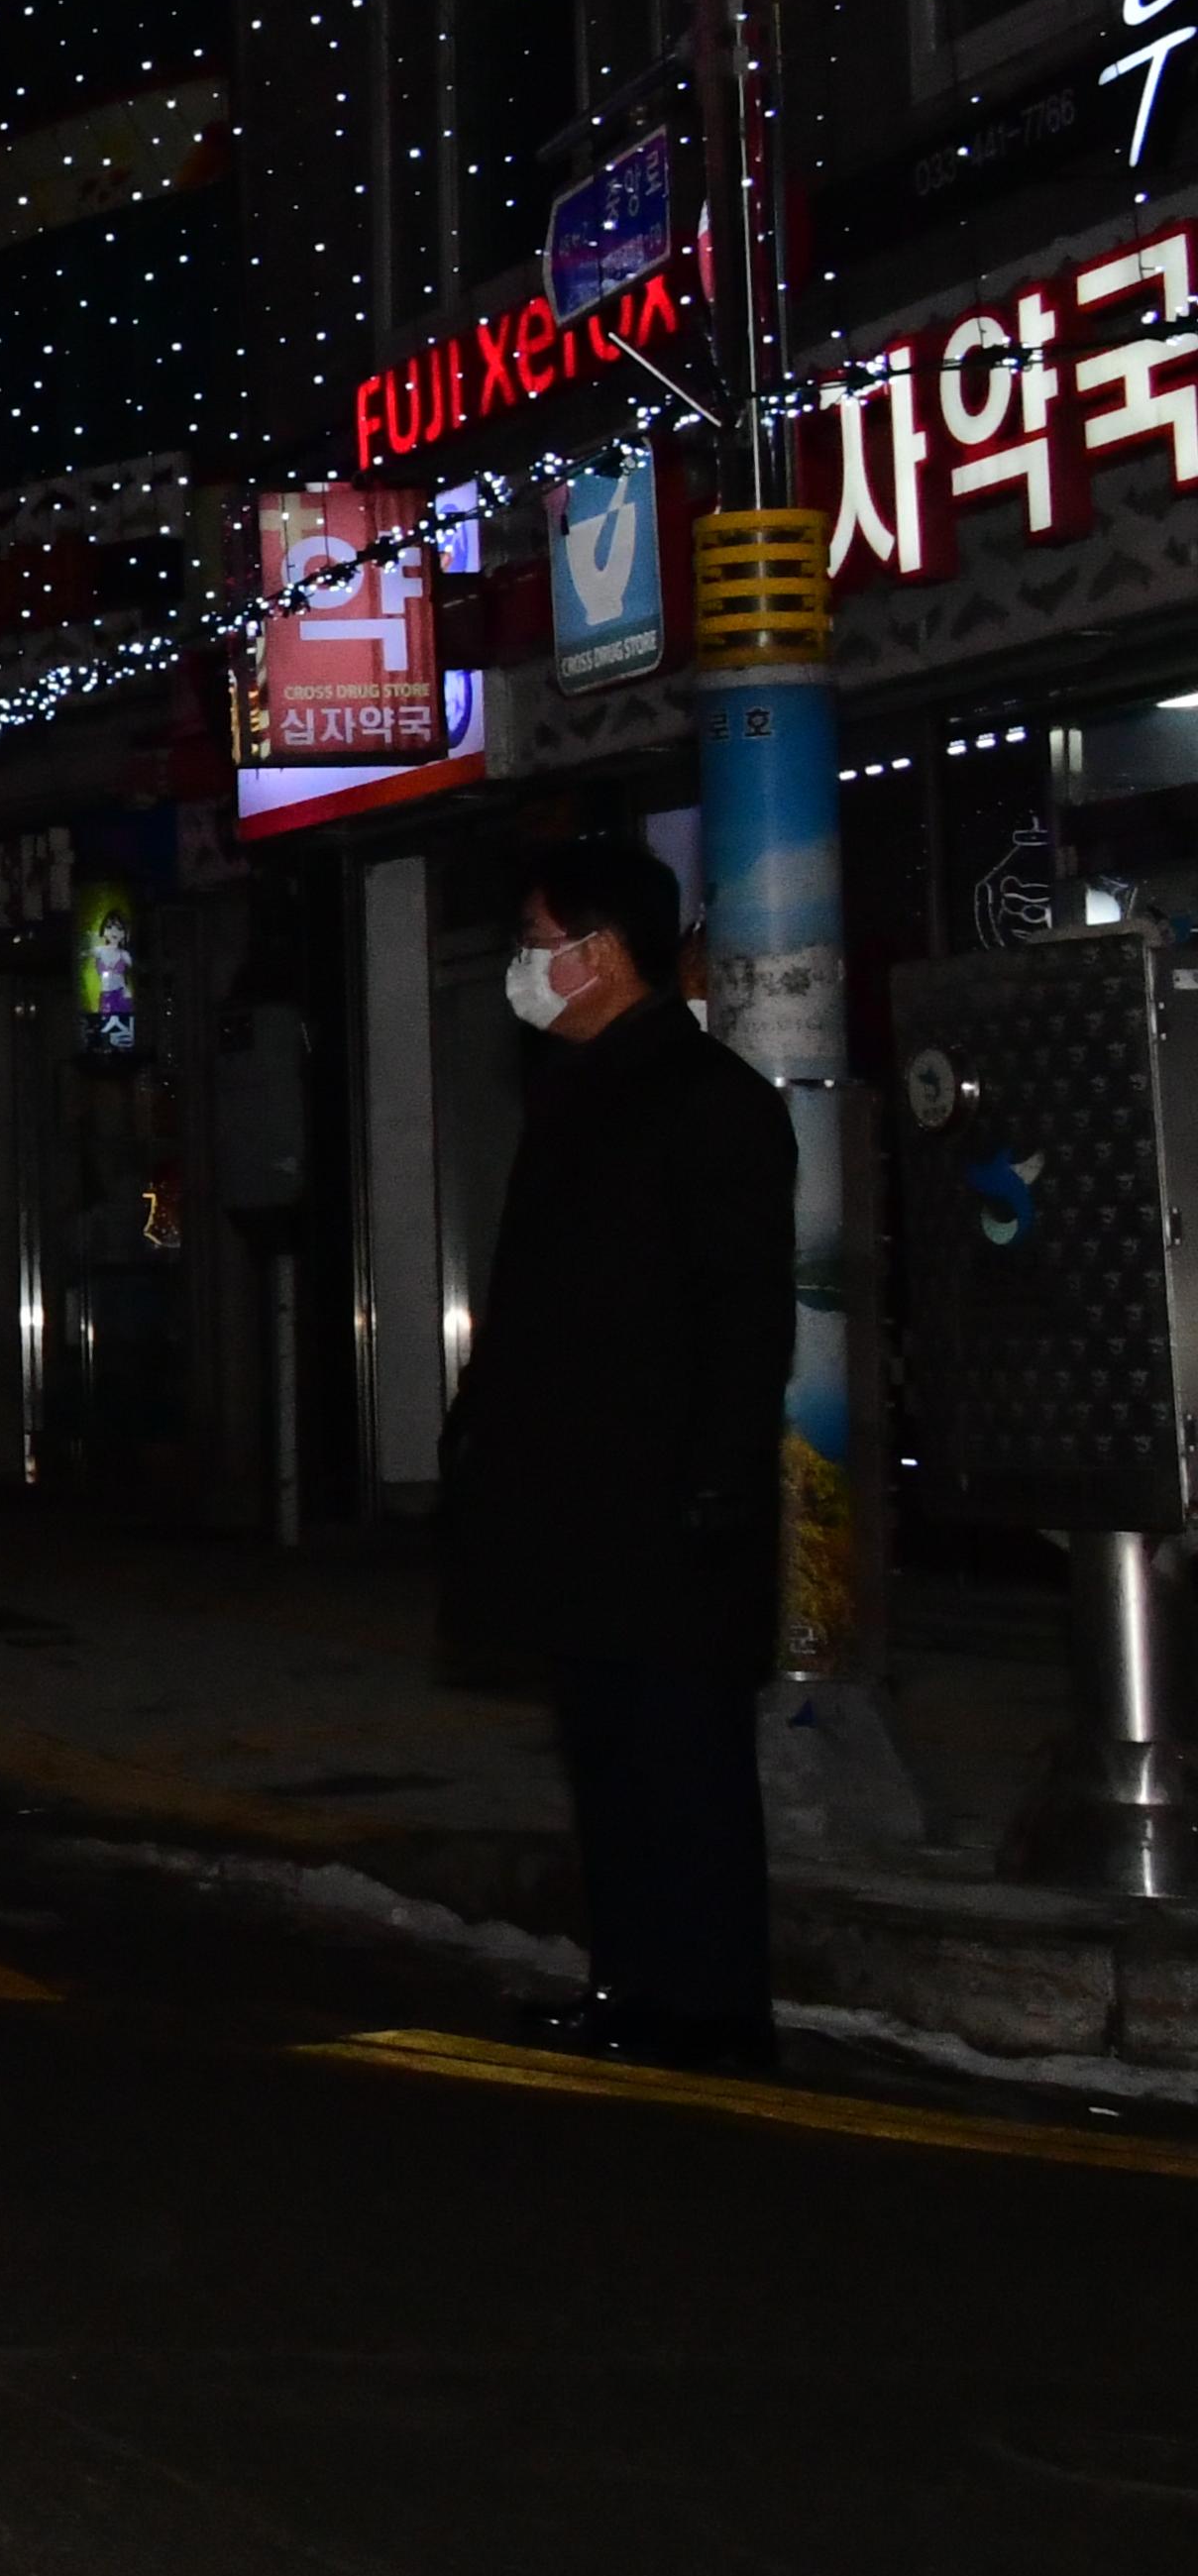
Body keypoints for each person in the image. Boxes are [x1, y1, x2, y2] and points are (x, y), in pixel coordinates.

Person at [443, 833, 797, 2073]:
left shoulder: (710, 1104)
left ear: (603, 955)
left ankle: (707, 2008)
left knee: (683, 1759)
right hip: (583, 1500)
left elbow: (744, 1315)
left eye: (541, 945)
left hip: (666, 1502)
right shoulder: (577, 1094)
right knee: (608, 1754)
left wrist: (715, 1476)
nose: (525, 970)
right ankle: (634, 1987)